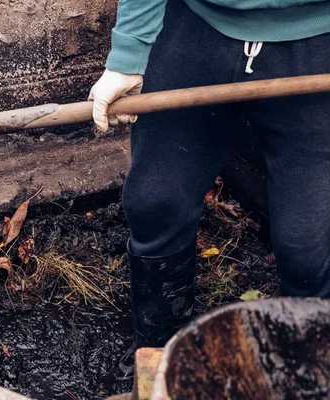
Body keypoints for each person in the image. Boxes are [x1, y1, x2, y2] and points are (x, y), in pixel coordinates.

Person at [89, 0, 330, 380]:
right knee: (155, 202)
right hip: (197, 27)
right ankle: (159, 356)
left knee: (308, 249)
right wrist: (130, 52)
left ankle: (300, 371)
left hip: (316, 42)